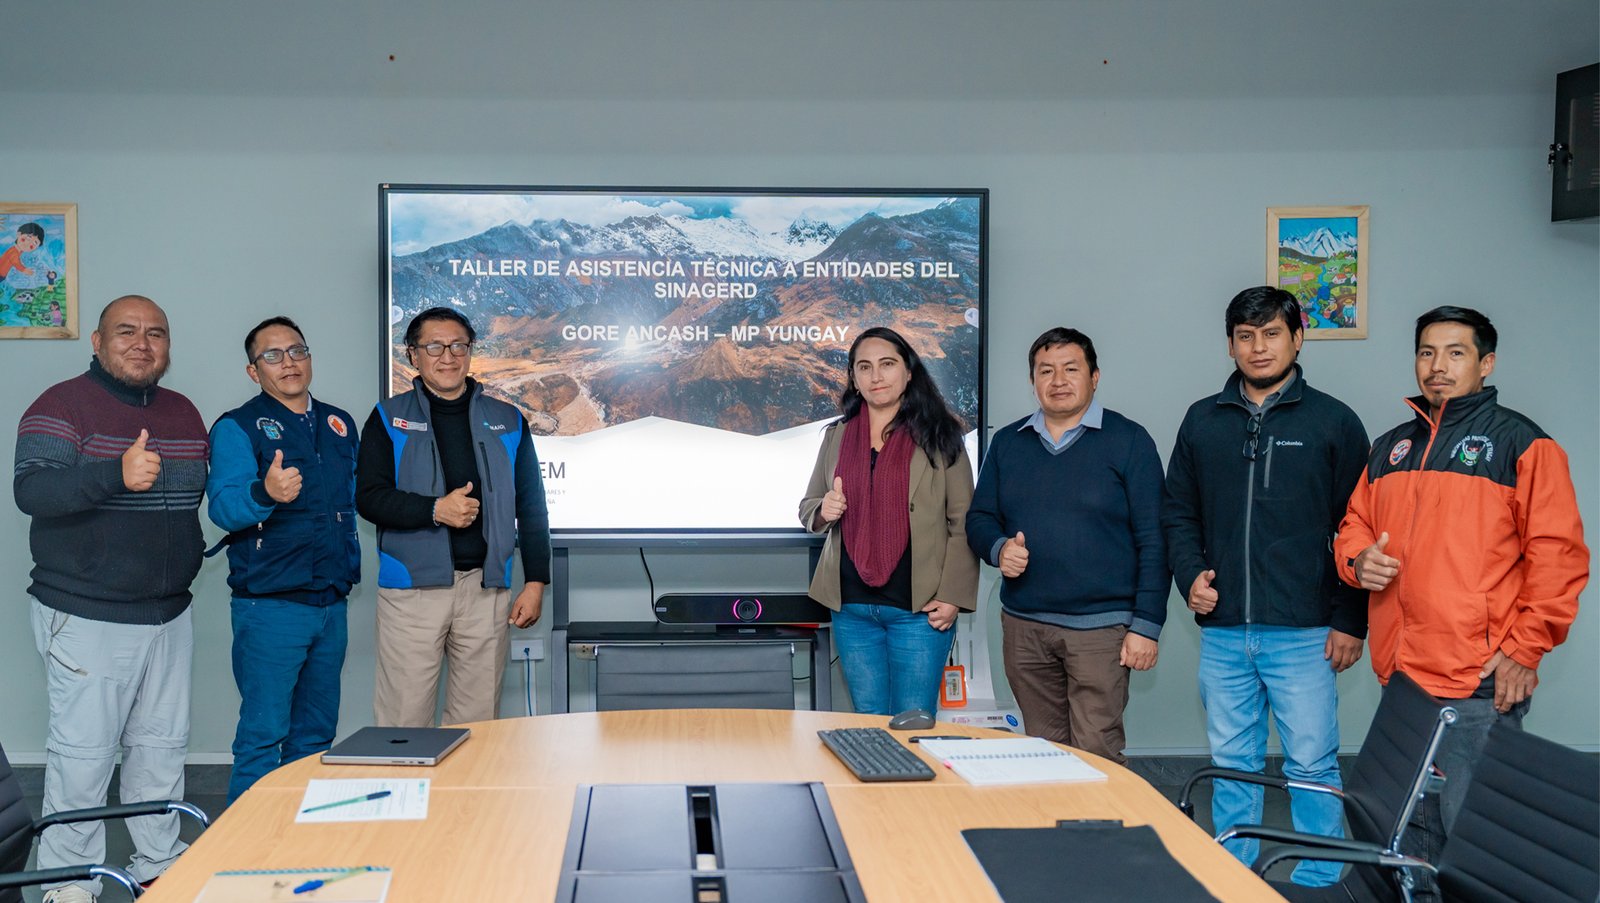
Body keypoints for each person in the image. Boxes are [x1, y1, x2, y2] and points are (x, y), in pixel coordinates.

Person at [1336, 305, 1587, 855]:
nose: (1437, 366)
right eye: (1427, 352)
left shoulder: (1524, 445)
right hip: (1402, 677)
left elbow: (1559, 558)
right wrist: (1357, 561)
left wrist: (1525, 650)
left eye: (1455, 353)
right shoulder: (1390, 447)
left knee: (1475, 838)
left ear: (1486, 363)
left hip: (1477, 680)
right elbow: (1354, 524)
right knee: (1408, 830)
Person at [1161, 286, 1369, 887]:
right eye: (1246, 336)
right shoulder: (1202, 420)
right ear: (1230, 344)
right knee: (1232, 764)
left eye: (1272, 333)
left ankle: (1321, 881)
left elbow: (1359, 527)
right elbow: (1178, 513)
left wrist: (1350, 620)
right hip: (1225, 633)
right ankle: (1235, 878)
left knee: (1312, 765)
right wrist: (1189, 576)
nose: (1258, 347)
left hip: (1306, 631)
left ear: (1297, 339)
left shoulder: (1334, 421)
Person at [13, 295, 208, 903]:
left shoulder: (183, 412)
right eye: (126, 331)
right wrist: (112, 474)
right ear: (97, 342)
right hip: (86, 613)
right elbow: (32, 491)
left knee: (160, 751)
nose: (142, 343)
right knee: (84, 758)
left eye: (156, 333)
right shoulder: (60, 405)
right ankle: (67, 883)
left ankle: (157, 862)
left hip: (169, 613)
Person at [964, 327, 1167, 764]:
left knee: (1096, 753)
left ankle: (1101, 815)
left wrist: (1146, 626)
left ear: (1094, 377)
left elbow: (1156, 539)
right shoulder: (1008, 442)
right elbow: (979, 518)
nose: (1058, 381)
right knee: (1043, 752)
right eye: (1046, 371)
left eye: (1071, 369)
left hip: (1102, 631)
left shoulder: (1129, 441)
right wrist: (999, 549)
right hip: (1025, 628)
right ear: (1033, 380)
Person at [356, 307, 551, 727]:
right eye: (434, 347)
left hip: (486, 590)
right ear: (413, 354)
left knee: (477, 725)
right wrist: (434, 510)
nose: (448, 356)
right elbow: (369, 499)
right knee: (403, 723)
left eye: (458, 345)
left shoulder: (508, 420)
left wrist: (536, 581)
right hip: (412, 595)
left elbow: (532, 505)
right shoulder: (388, 418)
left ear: (470, 351)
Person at [206, 316, 361, 803]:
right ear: (254, 371)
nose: (288, 363)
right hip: (271, 607)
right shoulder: (237, 426)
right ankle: (245, 843)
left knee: (316, 736)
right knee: (262, 736)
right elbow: (224, 507)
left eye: (297, 351)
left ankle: (300, 837)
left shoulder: (339, 423)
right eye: (272, 356)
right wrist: (265, 492)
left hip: (331, 603)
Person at [800, 326, 978, 716]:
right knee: (869, 724)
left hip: (920, 609)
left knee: (913, 722)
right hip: (851, 609)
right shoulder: (836, 435)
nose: (876, 376)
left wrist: (953, 595)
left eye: (887, 364)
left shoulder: (941, 436)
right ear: (854, 378)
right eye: (864, 367)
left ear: (909, 371)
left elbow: (964, 521)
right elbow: (809, 506)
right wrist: (824, 510)